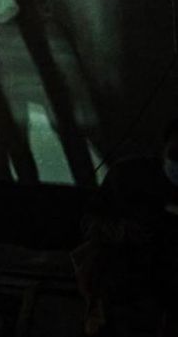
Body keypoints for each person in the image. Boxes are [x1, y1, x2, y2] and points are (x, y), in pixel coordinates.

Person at [73, 119, 178, 336]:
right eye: (176, 153)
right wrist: (121, 231)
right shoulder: (129, 176)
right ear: (164, 147)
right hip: (124, 284)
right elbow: (91, 221)